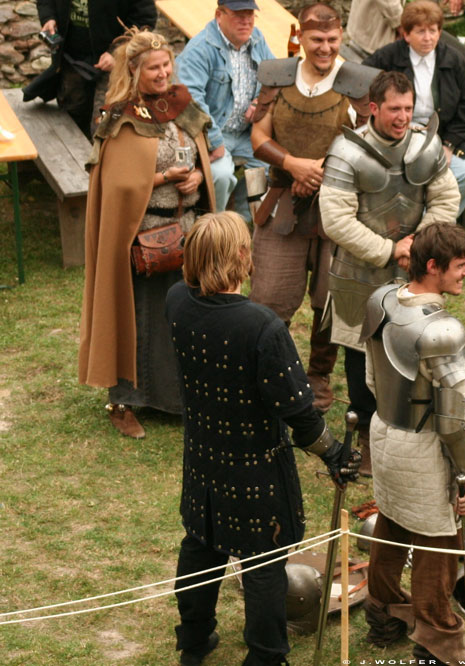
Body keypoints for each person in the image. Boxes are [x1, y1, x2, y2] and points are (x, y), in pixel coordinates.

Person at [166, 211, 360, 666]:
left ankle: (193, 643)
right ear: (239, 255)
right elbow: (300, 414)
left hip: (202, 458)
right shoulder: (262, 327)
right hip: (255, 469)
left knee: (200, 546)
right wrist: (334, 452)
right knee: (263, 567)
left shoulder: (177, 300)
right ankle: (266, 657)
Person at [78, 28, 215, 439]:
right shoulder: (120, 117)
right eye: (153, 68)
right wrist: (160, 179)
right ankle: (124, 402)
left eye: (166, 65)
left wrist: (193, 178)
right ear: (134, 70)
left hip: (186, 232)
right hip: (140, 240)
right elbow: (117, 185)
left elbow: (202, 153)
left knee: (181, 316)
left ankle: (175, 399)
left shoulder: (181, 106)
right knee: (137, 316)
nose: (162, 73)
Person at [320, 70, 460, 474]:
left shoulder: (423, 146)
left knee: (417, 350)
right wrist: (387, 249)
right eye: (394, 109)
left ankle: (412, 427)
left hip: (414, 272)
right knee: (359, 353)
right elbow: (336, 220)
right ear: (374, 108)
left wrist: (420, 243)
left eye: (408, 108)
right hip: (358, 275)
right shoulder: (347, 152)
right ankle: (366, 434)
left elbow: (447, 196)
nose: (402, 117)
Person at [359, 222, 465, 664]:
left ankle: (384, 612)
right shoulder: (441, 332)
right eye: (461, 267)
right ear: (433, 267)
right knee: (438, 546)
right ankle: (437, 644)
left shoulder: (382, 300)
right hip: (425, 448)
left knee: (391, 524)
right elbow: (451, 423)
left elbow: (371, 376)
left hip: (385, 433)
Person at [249, 3, 364, 414]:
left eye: (333, 40)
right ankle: (271, 376)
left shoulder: (356, 82)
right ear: (302, 36)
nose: (325, 48)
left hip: (338, 206)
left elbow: (367, 142)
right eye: (317, 39)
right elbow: (259, 134)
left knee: (329, 301)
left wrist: (323, 170)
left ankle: (317, 381)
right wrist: (292, 164)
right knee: (268, 298)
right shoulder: (277, 77)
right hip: (283, 203)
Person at [363, 1, 465, 216]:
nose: (428, 38)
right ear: (406, 34)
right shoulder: (388, 56)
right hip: (399, 134)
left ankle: (435, 223)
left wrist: (449, 145)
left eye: (433, 31)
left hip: (447, 134)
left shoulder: (453, 58)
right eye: (420, 32)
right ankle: (410, 223)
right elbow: (363, 86)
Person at [176, 0, 275, 219]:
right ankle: (214, 230)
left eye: (250, 14)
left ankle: (243, 225)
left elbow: (274, 77)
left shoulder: (256, 38)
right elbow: (190, 99)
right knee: (220, 175)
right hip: (213, 133)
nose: (246, 21)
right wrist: (215, 141)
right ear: (219, 15)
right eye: (239, 15)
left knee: (267, 166)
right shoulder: (200, 48)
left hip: (246, 134)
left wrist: (260, 101)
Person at [29, 0, 157, 138]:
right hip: (71, 60)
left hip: (115, 68)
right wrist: (49, 17)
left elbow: (144, 18)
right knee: (71, 124)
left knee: (104, 128)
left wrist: (118, 51)